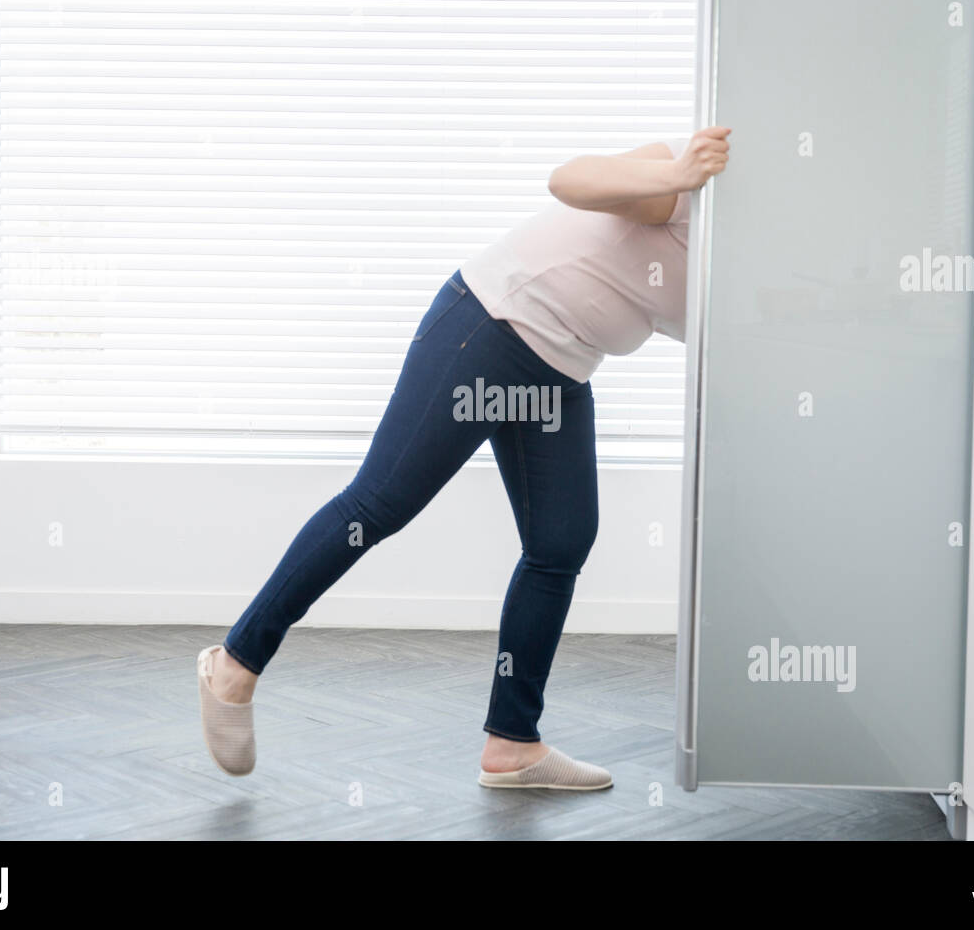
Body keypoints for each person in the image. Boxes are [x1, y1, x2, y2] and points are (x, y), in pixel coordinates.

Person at [197, 126, 732, 789]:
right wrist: (677, 175)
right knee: (379, 503)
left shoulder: (735, 271)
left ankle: (513, 743)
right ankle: (236, 664)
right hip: (489, 327)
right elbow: (568, 179)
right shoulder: (685, 192)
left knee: (561, 541)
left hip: (560, 371)